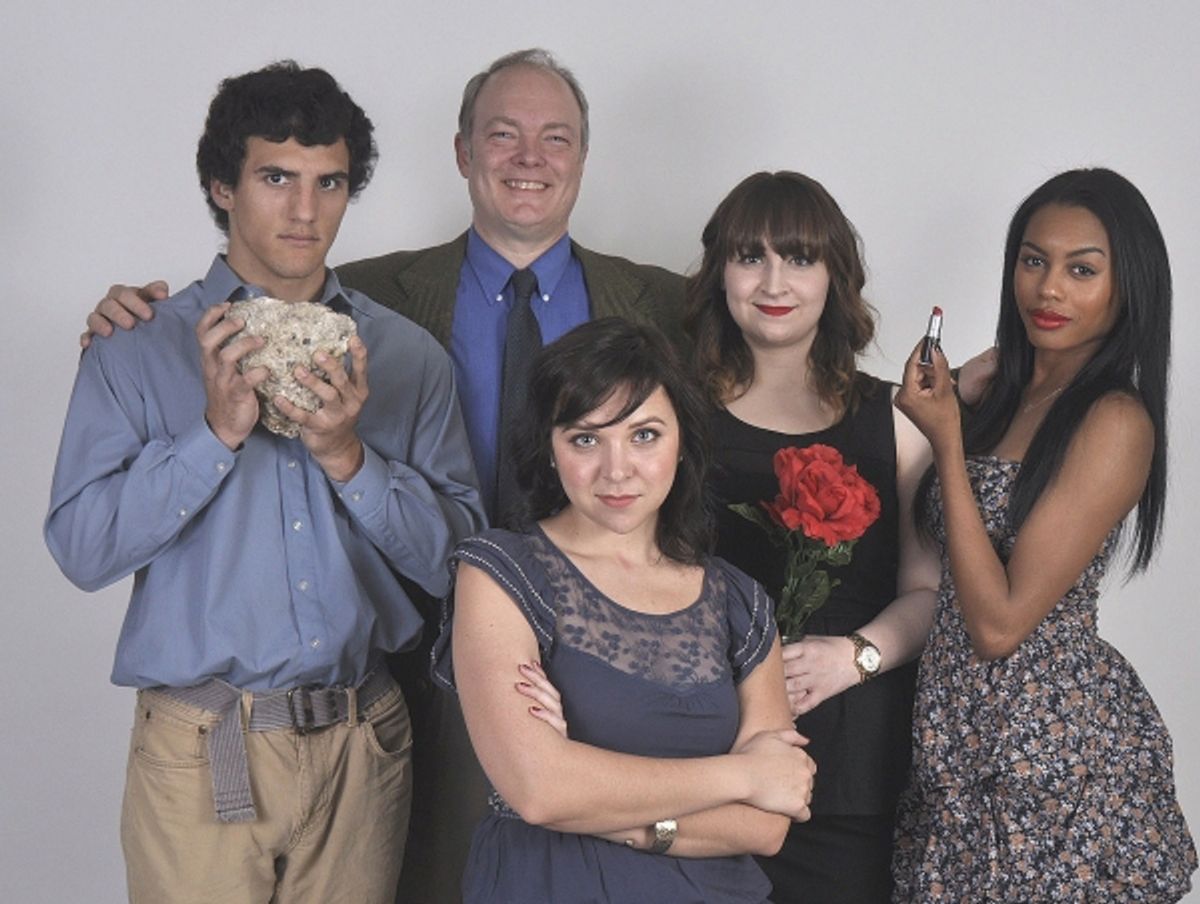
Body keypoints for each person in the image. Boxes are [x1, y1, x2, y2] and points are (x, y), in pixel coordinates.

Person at [78, 49, 684, 900]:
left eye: (557, 138)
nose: (303, 210)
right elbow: (85, 541)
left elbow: (782, 359)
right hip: (389, 692)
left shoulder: (659, 305)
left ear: (584, 156)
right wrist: (193, 408)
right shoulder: (354, 306)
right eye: (503, 134)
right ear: (463, 153)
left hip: (589, 678)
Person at [43, 61, 484, 903]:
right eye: (276, 176)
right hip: (201, 748)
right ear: (222, 184)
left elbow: (458, 567)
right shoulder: (138, 347)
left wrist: (350, 456)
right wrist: (214, 434)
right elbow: (81, 548)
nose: (305, 209)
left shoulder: (406, 358)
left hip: (365, 744)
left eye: (331, 182)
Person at [431, 316, 817, 903]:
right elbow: (538, 790)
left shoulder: (739, 600)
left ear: (682, 440)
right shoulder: (500, 570)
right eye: (586, 438)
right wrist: (744, 775)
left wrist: (590, 794)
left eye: (644, 435)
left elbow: (766, 824)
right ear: (550, 448)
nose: (617, 469)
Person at [892, 168, 1197, 901]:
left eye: (1081, 270)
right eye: (1033, 261)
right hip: (959, 745)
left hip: (1051, 755)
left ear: (1129, 288)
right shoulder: (1001, 388)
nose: (1048, 289)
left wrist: (950, 441)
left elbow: (997, 625)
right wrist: (951, 402)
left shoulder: (1115, 421)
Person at [682, 170, 941, 902]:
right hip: (702, 748)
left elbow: (929, 592)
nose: (774, 280)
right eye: (749, 256)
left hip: (852, 768)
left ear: (835, 276)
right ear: (719, 273)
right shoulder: (671, 415)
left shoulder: (896, 417)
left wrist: (853, 658)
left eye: (799, 257)